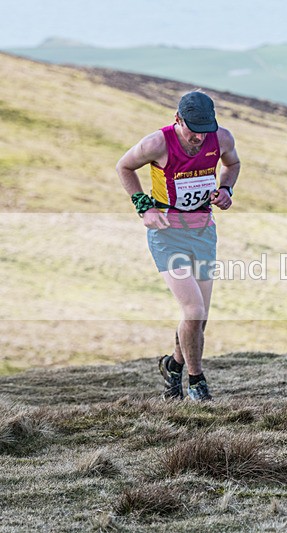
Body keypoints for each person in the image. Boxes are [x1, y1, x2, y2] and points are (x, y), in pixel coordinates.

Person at [116, 91, 240, 401]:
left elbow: (233, 164)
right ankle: (196, 382)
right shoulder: (157, 143)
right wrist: (144, 205)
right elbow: (125, 167)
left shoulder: (221, 138)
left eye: (204, 129)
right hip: (167, 233)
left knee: (199, 319)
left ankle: (173, 365)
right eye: (192, 129)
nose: (199, 137)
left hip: (203, 232)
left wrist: (226, 189)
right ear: (178, 119)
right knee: (194, 309)